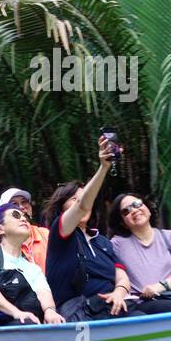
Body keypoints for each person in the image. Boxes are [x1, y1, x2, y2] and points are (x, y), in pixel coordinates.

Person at [44, 137, 133, 321]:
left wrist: (118, 293)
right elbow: (83, 206)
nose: (81, 203)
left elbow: (122, 277)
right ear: (62, 208)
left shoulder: (102, 241)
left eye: (84, 198)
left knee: (160, 307)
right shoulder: (61, 234)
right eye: (73, 200)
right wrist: (104, 167)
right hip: (78, 312)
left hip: (112, 306)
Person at [0, 202, 65, 327]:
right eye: (15, 215)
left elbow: (43, 293)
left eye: (24, 216)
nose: (23, 219)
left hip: (26, 325)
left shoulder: (32, 267)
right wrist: (17, 313)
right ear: (0, 229)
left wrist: (50, 312)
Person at [109, 193, 171, 306]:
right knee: (170, 307)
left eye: (137, 204)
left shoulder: (168, 236)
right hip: (143, 302)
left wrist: (160, 287)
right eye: (126, 211)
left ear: (148, 208)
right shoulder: (116, 244)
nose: (134, 210)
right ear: (122, 223)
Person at [0, 185, 49, 271]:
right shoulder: (1, 245)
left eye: (24, 202)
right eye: (14, 204)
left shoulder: (45, 234)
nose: (21, 207)